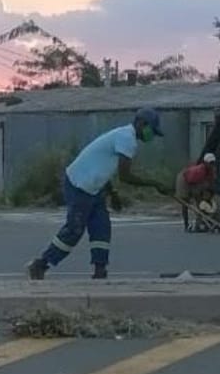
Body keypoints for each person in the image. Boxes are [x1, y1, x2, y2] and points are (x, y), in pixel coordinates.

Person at [26, 108, 171, 280]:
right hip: (78, 185)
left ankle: (100, 271)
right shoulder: (127, 138)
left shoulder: (123, 136)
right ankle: (41, 265)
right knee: (74, 230)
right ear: (141, 123)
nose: (151, 135)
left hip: (94, 188)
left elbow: (103, 167)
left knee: (101, 228)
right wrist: (156, 184)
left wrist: (113, 193)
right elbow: (125, 177)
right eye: (151, 130)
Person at [176, 153, 218, 232]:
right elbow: (191, 181)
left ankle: (201, 224)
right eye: (210, 163)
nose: (212, 165)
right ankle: (186, 225)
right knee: (185, 203)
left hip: (195, 183)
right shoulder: (199, 171)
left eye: (213, 163)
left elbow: (211, 184)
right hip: (184, 180)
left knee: (202, 203)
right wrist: (198, 193)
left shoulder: (212, 171)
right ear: (205, 163)